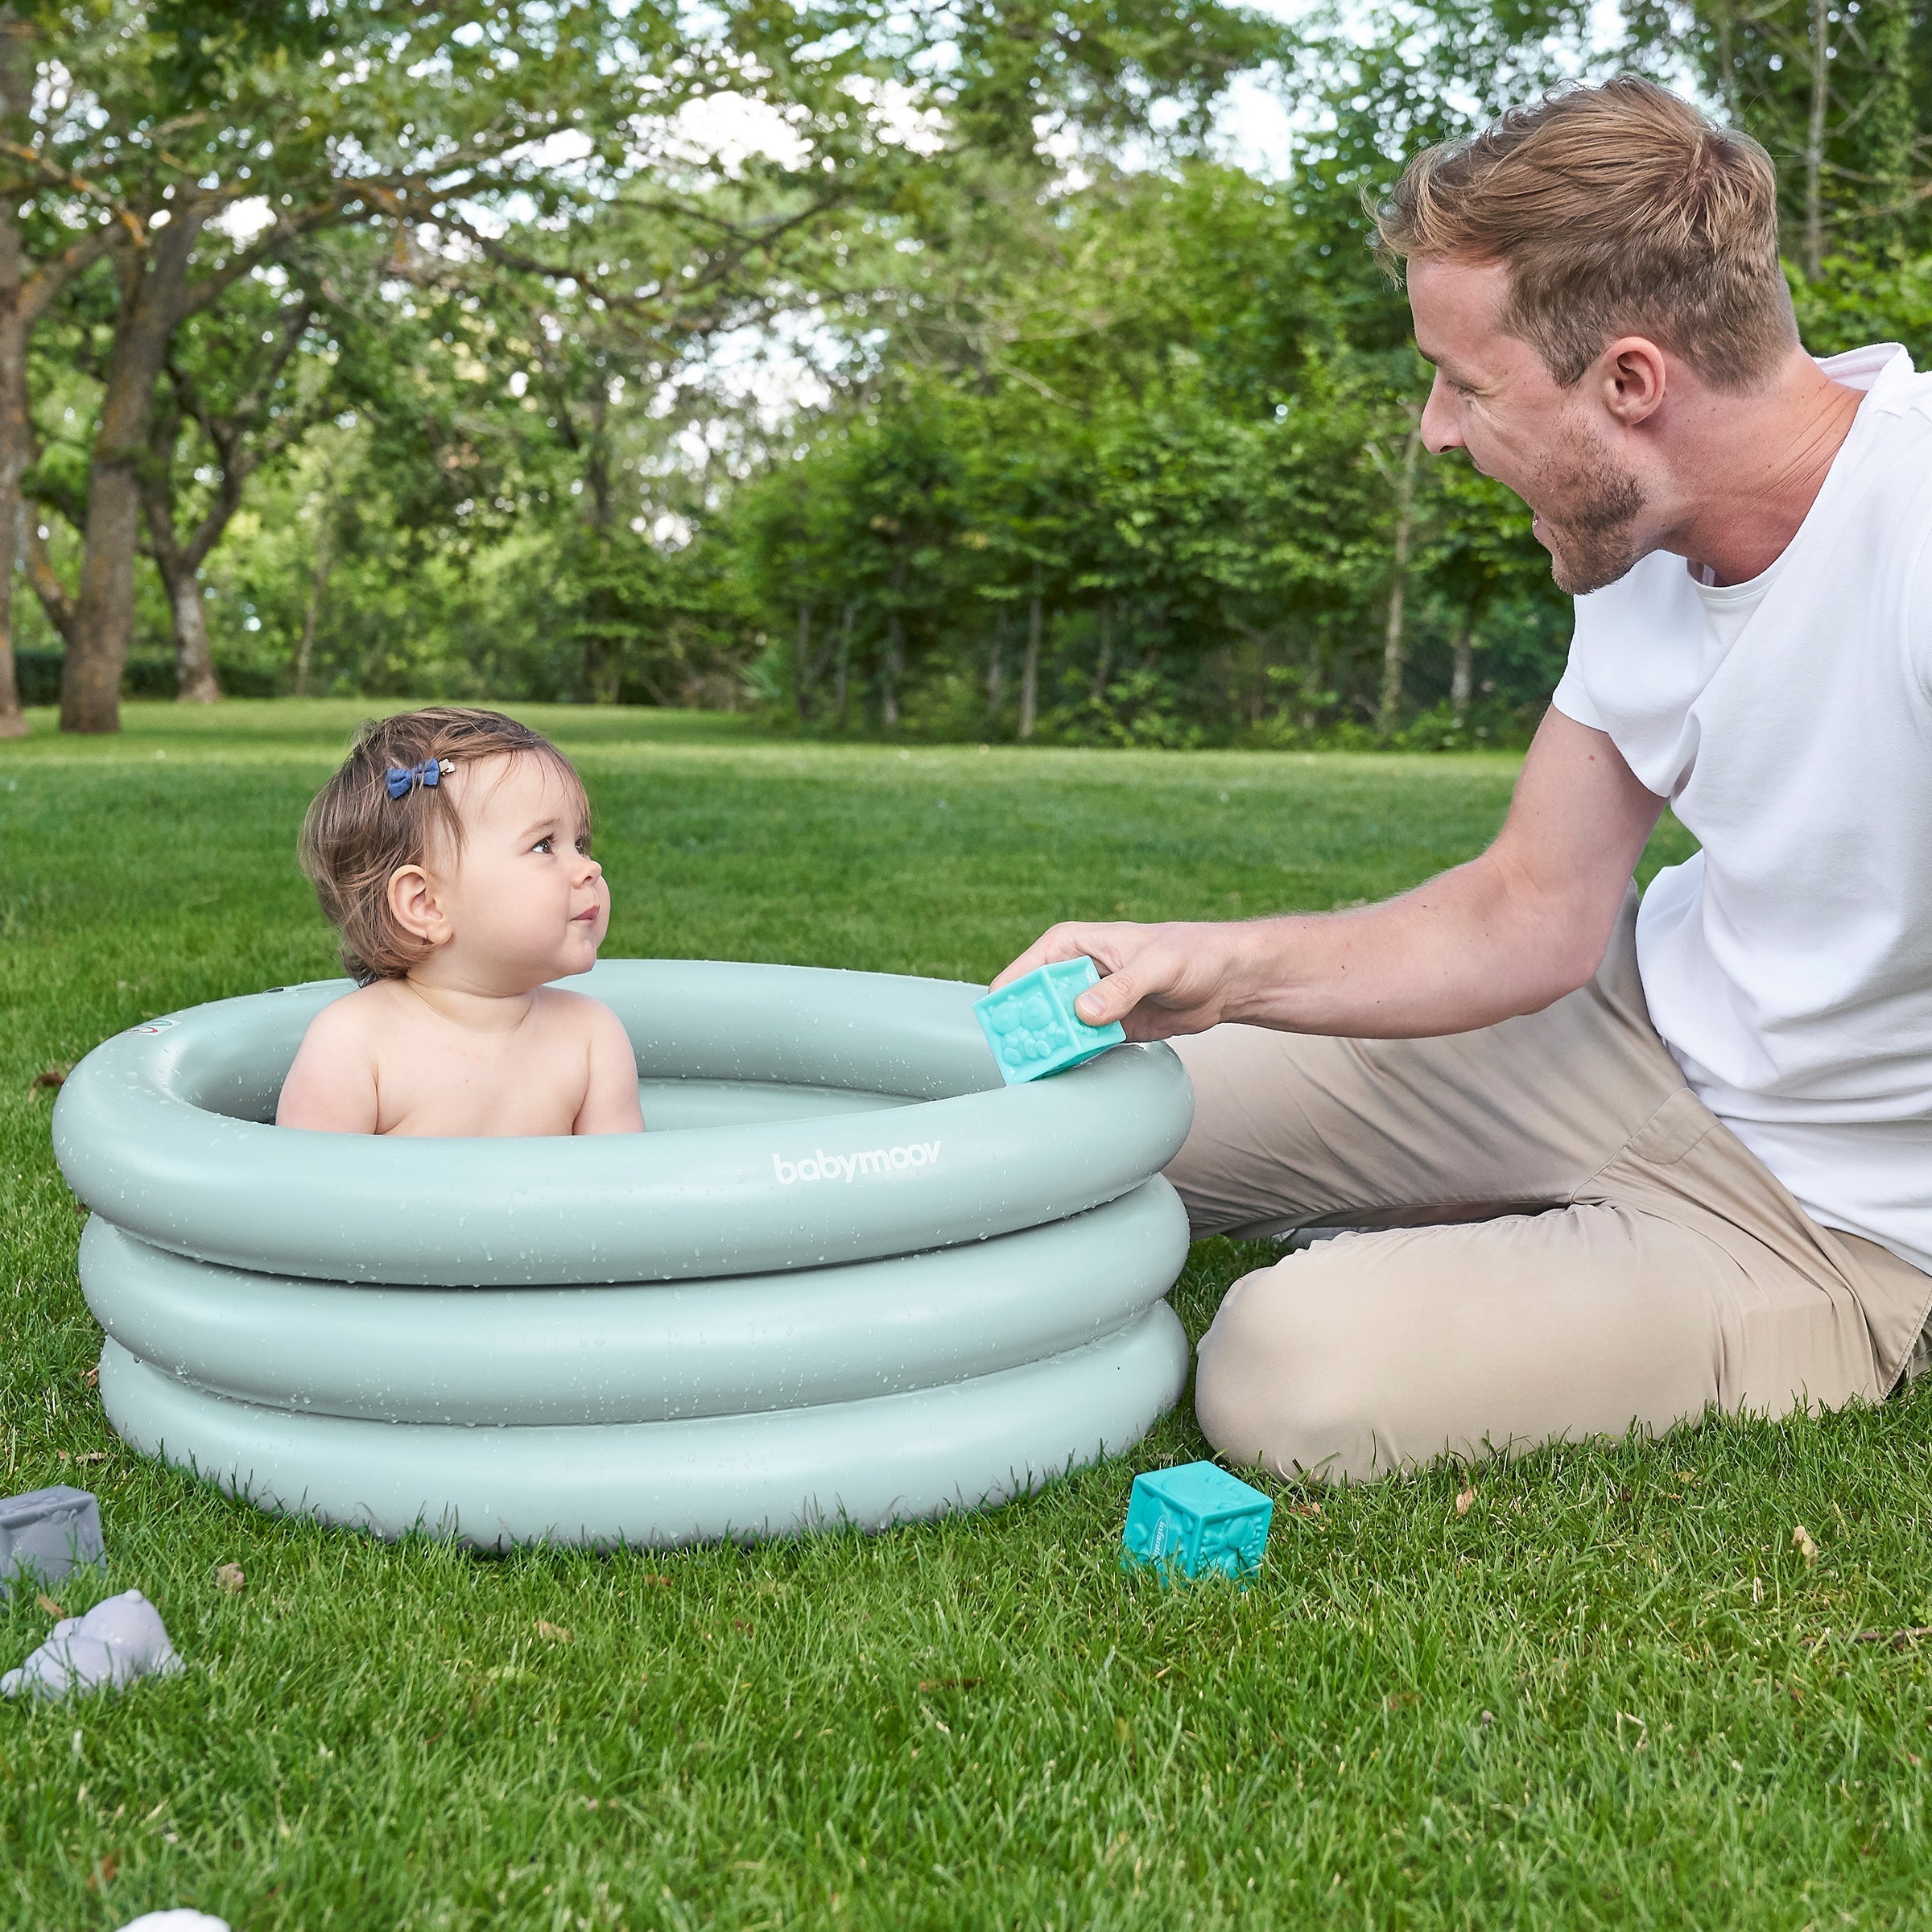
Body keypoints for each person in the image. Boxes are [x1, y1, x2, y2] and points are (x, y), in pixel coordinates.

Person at [994, 76, 1932, 1483]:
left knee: (1290, 1374)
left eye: (1468, 383)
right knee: (1062, 1142)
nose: (1435, 431)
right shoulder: (1645, 534)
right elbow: (1525, 913)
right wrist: (1218, 964)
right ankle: (1492, 1217)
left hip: (1828, 1214)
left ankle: (1485, 1251)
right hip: (1624, 1024)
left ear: (1631, 382)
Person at [276, 706, 643, 1137]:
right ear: (426, 904)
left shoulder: (591, 1038)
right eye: (544, 846)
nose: (590, 868)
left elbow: (621, 1193)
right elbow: (306, 1195)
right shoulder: (356, 1044)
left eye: (579, 843)